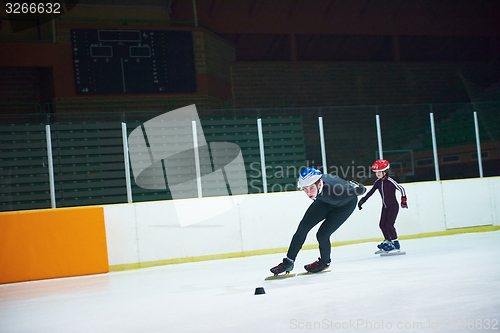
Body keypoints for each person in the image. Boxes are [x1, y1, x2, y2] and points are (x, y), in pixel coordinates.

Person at [270, 167, 366, 275]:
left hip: (343, 207)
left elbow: (362, 190)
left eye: (311, 188)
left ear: (319, 184)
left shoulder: (337, 191)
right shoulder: (318, 185)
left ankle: (324, 262)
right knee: (303, 227)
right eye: (305, 189)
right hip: (324, 201)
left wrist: (355, 186)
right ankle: (289, 262)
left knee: (322, 234)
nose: (308, 193)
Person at [357, 159, 408, 253]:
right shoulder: (378, 182)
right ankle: (388, 241)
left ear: (385, 171)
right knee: (382, 224)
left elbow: (401, 188)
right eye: (376, 172)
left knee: (389, 225)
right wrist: (362, 201)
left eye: (380, 171)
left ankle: (395, 243)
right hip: (385, 207)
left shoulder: (390, 181)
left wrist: (403, 201)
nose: (378, 174)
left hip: (393, 206)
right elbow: (371, 192)